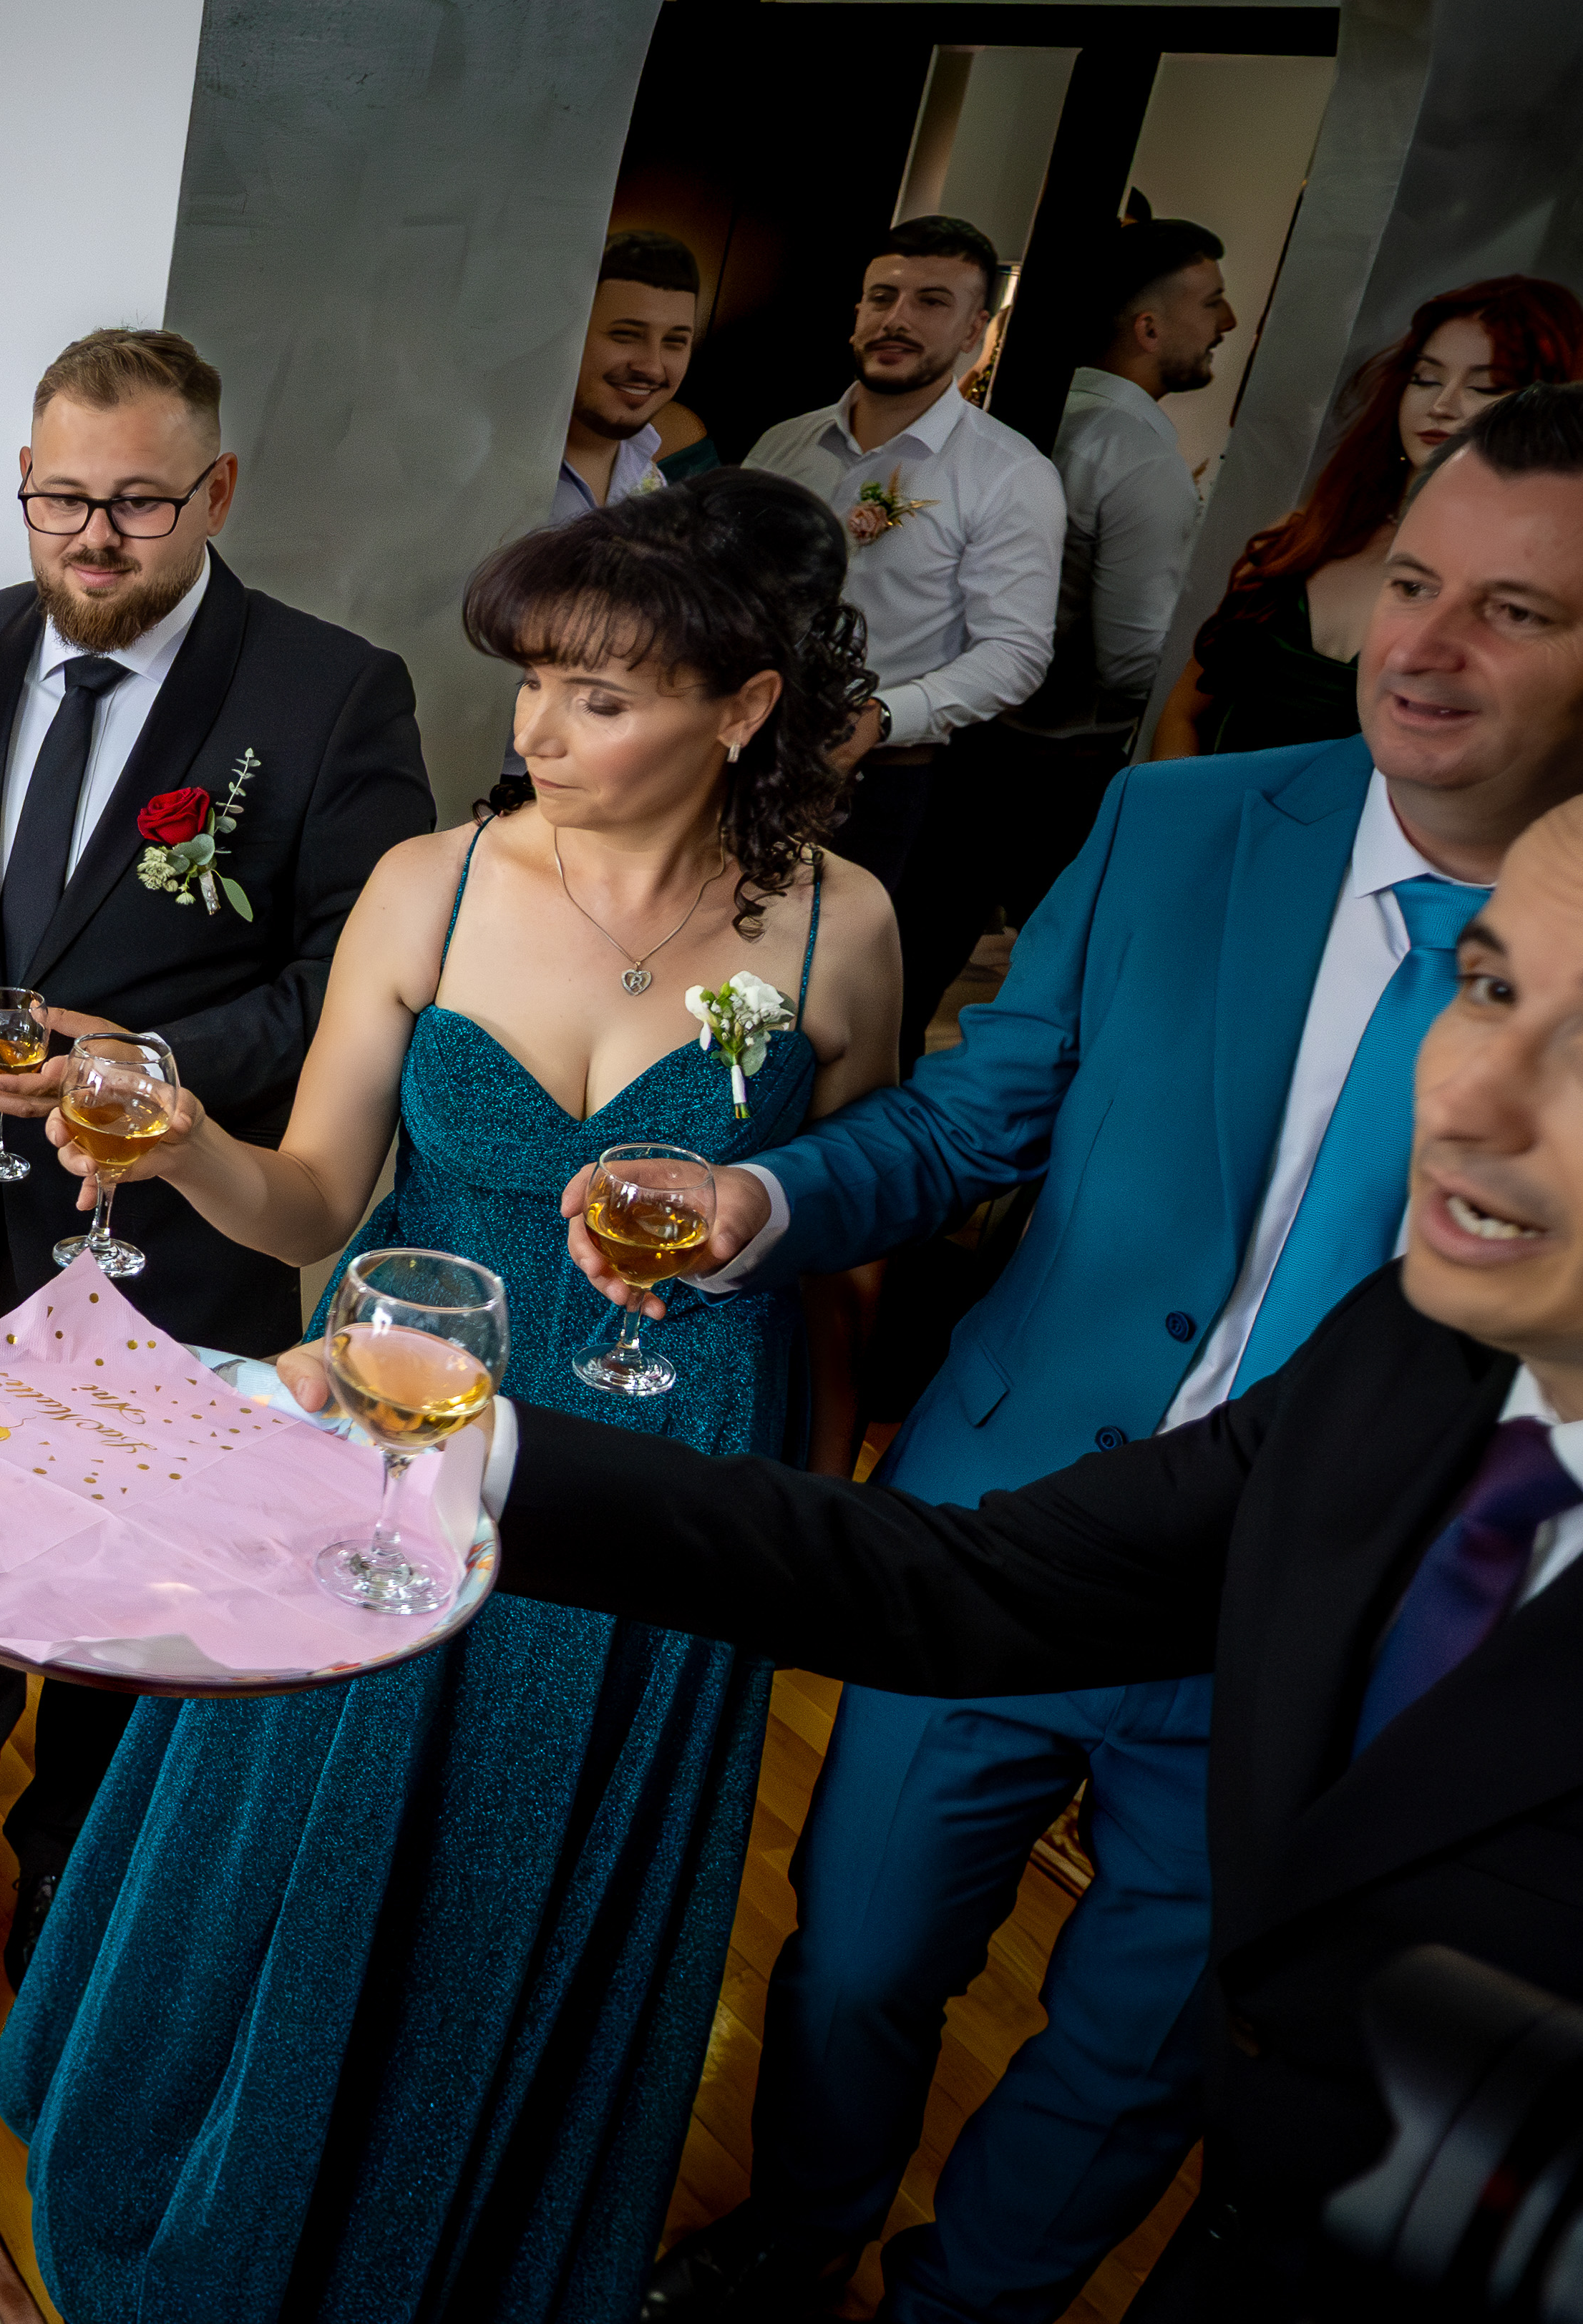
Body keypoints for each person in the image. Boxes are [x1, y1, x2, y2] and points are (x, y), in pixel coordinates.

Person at [598, 384, 1583, 2324]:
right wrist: (758, 1200)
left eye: (1514, 612)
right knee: (853, 1959)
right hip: (1010, 1517)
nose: (1425, 646)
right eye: (1407, 583)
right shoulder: (1172, 822)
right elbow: (971, 1122)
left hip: (1314, 1615)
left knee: (1136, 2052)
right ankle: (789, 2242)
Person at [414, 779, 1583, 2324]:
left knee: (1124, 2054)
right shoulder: (1408, 1360)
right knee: (853, 1960)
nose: (1469, 1102)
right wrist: (469, 1447)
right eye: (1484, 988)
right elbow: (970, 1583)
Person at [0, 469, 905, 2323]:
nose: (535, 731)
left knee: (536, 1868)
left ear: (741, 709)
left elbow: (846, 1239)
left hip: (668, 1464)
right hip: (402, 1427)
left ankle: (463, 2249)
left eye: (599, 695)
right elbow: (313, 1202)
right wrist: (182, 1144)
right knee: (322, 1837)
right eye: (531, 681)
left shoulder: (841, 933)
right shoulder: (433, 883)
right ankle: (232, 2215)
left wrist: (804, 1516)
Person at [0, 326, 433, 1980]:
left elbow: (353, 973)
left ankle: (67, 1834)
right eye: (59, 499)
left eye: (138, 503)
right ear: (21, 480)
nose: (92, 537)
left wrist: (151, 1070)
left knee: (116, 1532)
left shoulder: (326, 692)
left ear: (216, 491)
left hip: (163, 1216)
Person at [743, 215, 1065, 1007]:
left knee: (806, 1001)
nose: (896, 318)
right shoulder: (784, 446)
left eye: (930, 301)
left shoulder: (1006, 473)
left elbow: (1015, 652)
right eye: (881, 297)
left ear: (973, 331)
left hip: (876, 784)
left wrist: (879, 719)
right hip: (736, 751)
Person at [926, 216, 1232, 1043]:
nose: (1228, 321)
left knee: (917, 965)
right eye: (1210, 302)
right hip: (1054, 775)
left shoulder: (1014, 419)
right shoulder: (1134, 456)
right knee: (1066, 999)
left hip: (959, 744)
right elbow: (1133, 660)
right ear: (1147, 329)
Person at [1156, 274, 1583, 763]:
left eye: (1486, 386)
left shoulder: (1537, 593)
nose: (1442, 405)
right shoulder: (1302, 538)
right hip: (1202, 803)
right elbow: (1183, 714)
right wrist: (1178, 810)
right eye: (1425, 378)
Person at [556, 229, 703, 520]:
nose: (652, 367)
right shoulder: (485, 468)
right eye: (625, 335)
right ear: (566, 335)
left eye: (675, 341)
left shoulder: (649, 480)